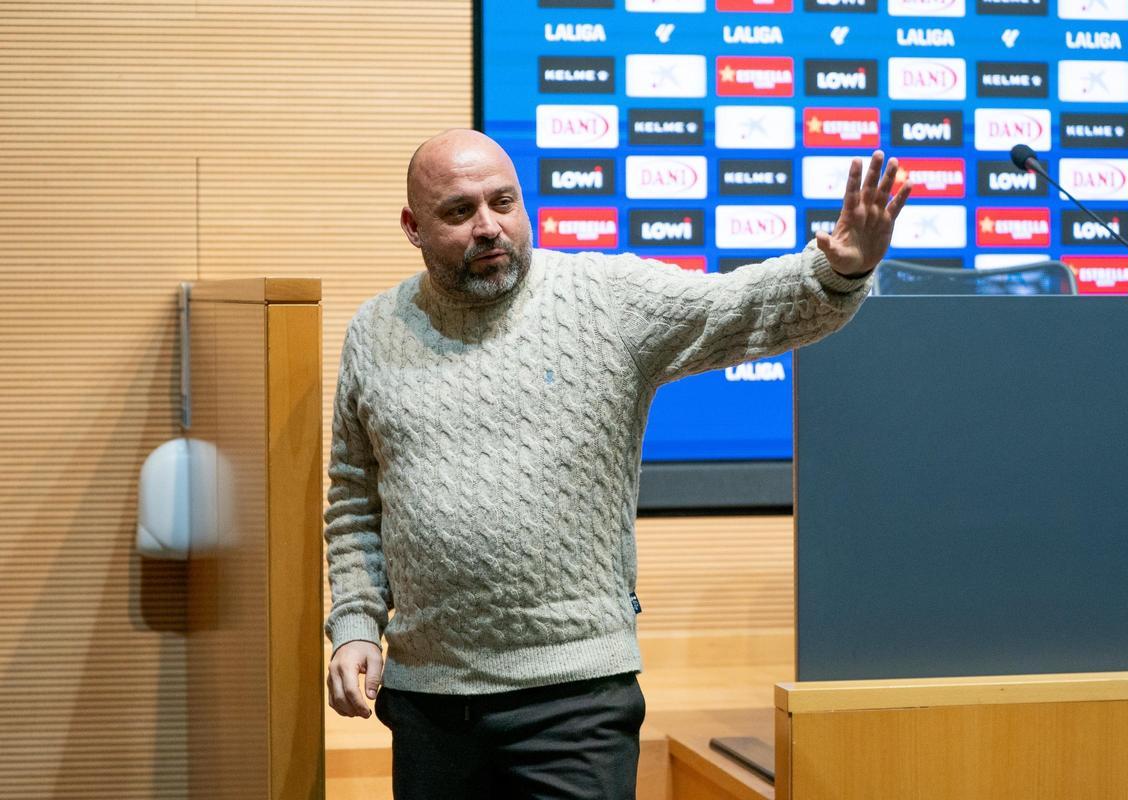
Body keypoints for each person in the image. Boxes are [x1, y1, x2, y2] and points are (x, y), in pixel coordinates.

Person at [324, 129, 910, 799]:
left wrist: (837, 271)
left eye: (502, 202)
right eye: (459, 211)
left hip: (577, 700)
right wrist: (355, 625)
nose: (487, 226)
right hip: (430, 702)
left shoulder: (603, 298)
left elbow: (738, 306)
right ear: (413, 227)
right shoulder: (375, 331)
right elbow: (354, 500)